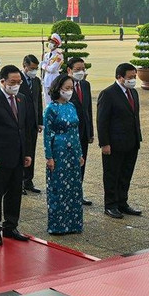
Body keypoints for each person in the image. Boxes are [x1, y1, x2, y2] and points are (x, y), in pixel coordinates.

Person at [0, 65, 34, 246]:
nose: (16, 85)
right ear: (2, 81)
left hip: (18, 156)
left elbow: (25, 128)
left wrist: (27, 153)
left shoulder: (22, 99)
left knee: (14, 194)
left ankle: (11, 226)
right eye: (13, 82)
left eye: (18, 82)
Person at [96, 63, 143, 219]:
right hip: (114, 144)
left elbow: (135, 117)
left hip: (131, 141)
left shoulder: (134, 93)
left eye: (134, 77)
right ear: (119, 77)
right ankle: (110, 205)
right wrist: (104, 143)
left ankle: (123, 202)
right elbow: (102, 121)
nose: (133, 80)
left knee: (125, 174)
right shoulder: (108, 94)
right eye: (130, 77)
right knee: (112, 175)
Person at [43, 75, 84, 235]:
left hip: (73, 150)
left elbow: (76, 132)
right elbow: (47, 134)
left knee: (74, 188)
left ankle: (74, 223)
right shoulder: (51, 109)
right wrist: (49, 157)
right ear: (58, 89)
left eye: (71, 88)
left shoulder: (72, 106)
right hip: (58, 151)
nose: (69, 91)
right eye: (66, 88)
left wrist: (80, 153)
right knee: (58, 188)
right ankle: (58, 225)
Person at [67, 57, 94, 205]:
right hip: (68, 134)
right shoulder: (63, 85)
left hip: (83, 132)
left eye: (83, 69)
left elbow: (88, 110)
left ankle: (78, 192)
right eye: (77, 70)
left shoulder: (85, 85)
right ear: (69, 70)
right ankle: (68, 193)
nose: (81, 72)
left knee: (81, 164)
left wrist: (90, 133)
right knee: (69, 164)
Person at [19, 55, 44, 195]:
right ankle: (20, 181)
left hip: (33, 123)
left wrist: (40, 121)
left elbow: (38, 102)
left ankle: (28, 180)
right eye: (32, 68)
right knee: (21, 152)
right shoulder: (18, 80)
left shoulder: (36, 81)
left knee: (31, 151)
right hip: (21, 122)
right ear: (25, 65)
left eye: (36, 68)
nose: (34, 71)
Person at [40, 33, 63, 106]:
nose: (50, 44)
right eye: (50, 42)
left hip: (54, 78)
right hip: (46, 79)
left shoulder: (59, 55)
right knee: (46, 100)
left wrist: (43, 65)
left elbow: (52, 69)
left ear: (56, 44)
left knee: (54, 100)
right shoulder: (46, 55)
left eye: (52, 42)